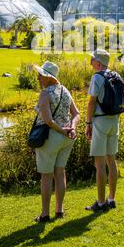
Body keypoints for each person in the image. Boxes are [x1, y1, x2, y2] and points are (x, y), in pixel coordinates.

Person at [33, 61, 80, 222]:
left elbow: (48, 120)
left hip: (50, 138)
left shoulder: (45, 94)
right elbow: (76, 114)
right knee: (60, 173)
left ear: (48, 77)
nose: (38, 77)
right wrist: (72, 128)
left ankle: (45, 214)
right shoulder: (65, 91)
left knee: (46, 176)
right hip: (67, 139)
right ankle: (59, 211)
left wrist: (62, 130)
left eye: (40, 75)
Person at [85, 49, 123, 212]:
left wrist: (88, 123)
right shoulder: (116, 76)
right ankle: (111, 199)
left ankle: (100, 203)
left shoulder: (97, 77)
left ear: (98, 63)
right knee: (111, 161)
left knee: (99, 164)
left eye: (92, 60)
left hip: (100, 121)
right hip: (114, 120)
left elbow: (91, 102)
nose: (90, 62)